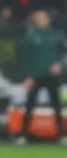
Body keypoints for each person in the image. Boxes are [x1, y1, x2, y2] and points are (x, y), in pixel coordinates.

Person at [17, 9, 66, 146]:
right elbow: (26, 57)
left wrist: (60, 65)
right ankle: (23, 134)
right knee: (29, 105)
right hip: (36, 75)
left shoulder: (57, 35)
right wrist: (27, 76)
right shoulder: (31, 36)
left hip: (51, 76)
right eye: (39, 18)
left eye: (44, 17)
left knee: (57, 105)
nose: (42, 20)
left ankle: (62, 135)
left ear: (48, 19)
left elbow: (62, 54)